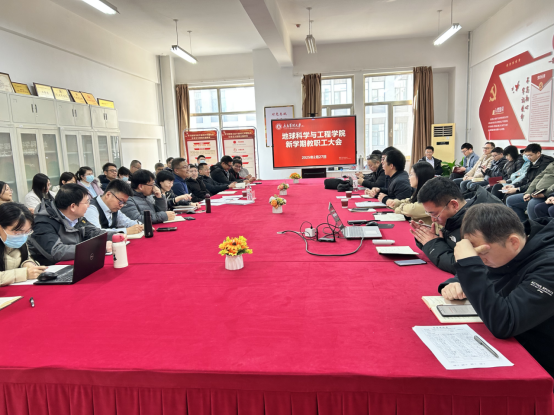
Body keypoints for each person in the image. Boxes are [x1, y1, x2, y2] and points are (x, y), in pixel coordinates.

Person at [438, 203, 554, 380]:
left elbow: (505, 323)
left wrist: (469, 267)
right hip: (520, 344)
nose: (480, 260)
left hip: (542, 360)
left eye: (482, 254)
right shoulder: (509, 246)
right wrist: (456, 281)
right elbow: (488, 270)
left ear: (513, 242)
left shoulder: (549, 265)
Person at [410, 176, 502, 275]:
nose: (433, 220)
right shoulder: (459, 215)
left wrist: (432, 244)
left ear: (454, 205)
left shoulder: (484, 221)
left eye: (435, 214)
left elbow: (465, 264)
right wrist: (431, 238)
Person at [28, 184, 111, 266]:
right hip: (51, 269)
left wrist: (116, 236)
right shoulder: (43, 223)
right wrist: (95, 248)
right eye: (86, 202)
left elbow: (94, 232)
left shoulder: (77, 217)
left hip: (76, 264)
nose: (89, 205)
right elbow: (56, 252)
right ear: (73, 206)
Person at [0, 203, 46, 286]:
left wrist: (28, 263)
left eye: (27, 231)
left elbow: (27, 257)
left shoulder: (20, 241)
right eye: (17, 233)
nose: (23, 236)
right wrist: (24, 274)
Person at [505, 143, 554, 221]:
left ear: (538, 153)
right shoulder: (550, 164)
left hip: (545, 193)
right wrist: (527, 191)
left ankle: (534, 226)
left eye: (530, 155)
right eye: (526, 155)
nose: (528, 157)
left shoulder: (545, 162)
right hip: (535, 191)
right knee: (510, 199)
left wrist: (518, 189)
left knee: (534, 204)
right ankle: (523, 224)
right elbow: (536, 178)